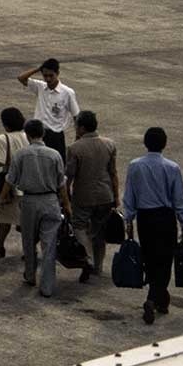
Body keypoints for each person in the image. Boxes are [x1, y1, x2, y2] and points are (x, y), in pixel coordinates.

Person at [123, 127, 183, 324]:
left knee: (150, 257)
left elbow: (130, 196)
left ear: (145, 143)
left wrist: (129, 221)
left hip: (145, 218)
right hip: (165, 217)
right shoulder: (172, 167)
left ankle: (160, 298)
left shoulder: (134, 166)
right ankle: (154, 299)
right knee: (165, 259)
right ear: (164, 144)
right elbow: (179, 199)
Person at [3, 119, 74, 296]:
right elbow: (61, 184)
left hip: (29, 201)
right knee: (49, 245)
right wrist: (66, 204)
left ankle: (30, 274)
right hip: (50, 201)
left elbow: (10, 179)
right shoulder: (54, 155)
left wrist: (1, 198)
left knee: (28, 240)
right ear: (43, 134)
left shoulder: (21, 154)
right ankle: (47, 286)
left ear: (27, 135)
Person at [65, 110, 119, 283]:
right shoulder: (109, 144)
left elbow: (69, 175)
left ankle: (87, 256)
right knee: (100, 233)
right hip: (105, 194)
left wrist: (65, 197)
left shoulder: (75, 148)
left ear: (81, 128)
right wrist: (116, 196)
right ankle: (98, 266)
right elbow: (113, 173)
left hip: (83, 196)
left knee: (79, 226)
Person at [0, 107, 30, 258]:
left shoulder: (3, 138)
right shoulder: (27, 135)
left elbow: (0, 161)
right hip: (27, 182)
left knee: (6, 217)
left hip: (10, 184)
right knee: (23, 219)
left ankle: (1, 246)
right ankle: (26, 249)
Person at [17, 58, 80, 159]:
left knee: (57, 163)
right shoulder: (40, 87)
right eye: (45, 76)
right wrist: (38, 69)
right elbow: (21, 78)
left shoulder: (67, 92)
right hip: (38, 134)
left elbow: (76, 116)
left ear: (57, 73)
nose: (48, 79)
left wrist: (78, 137)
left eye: (51, 75)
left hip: (55, 135)